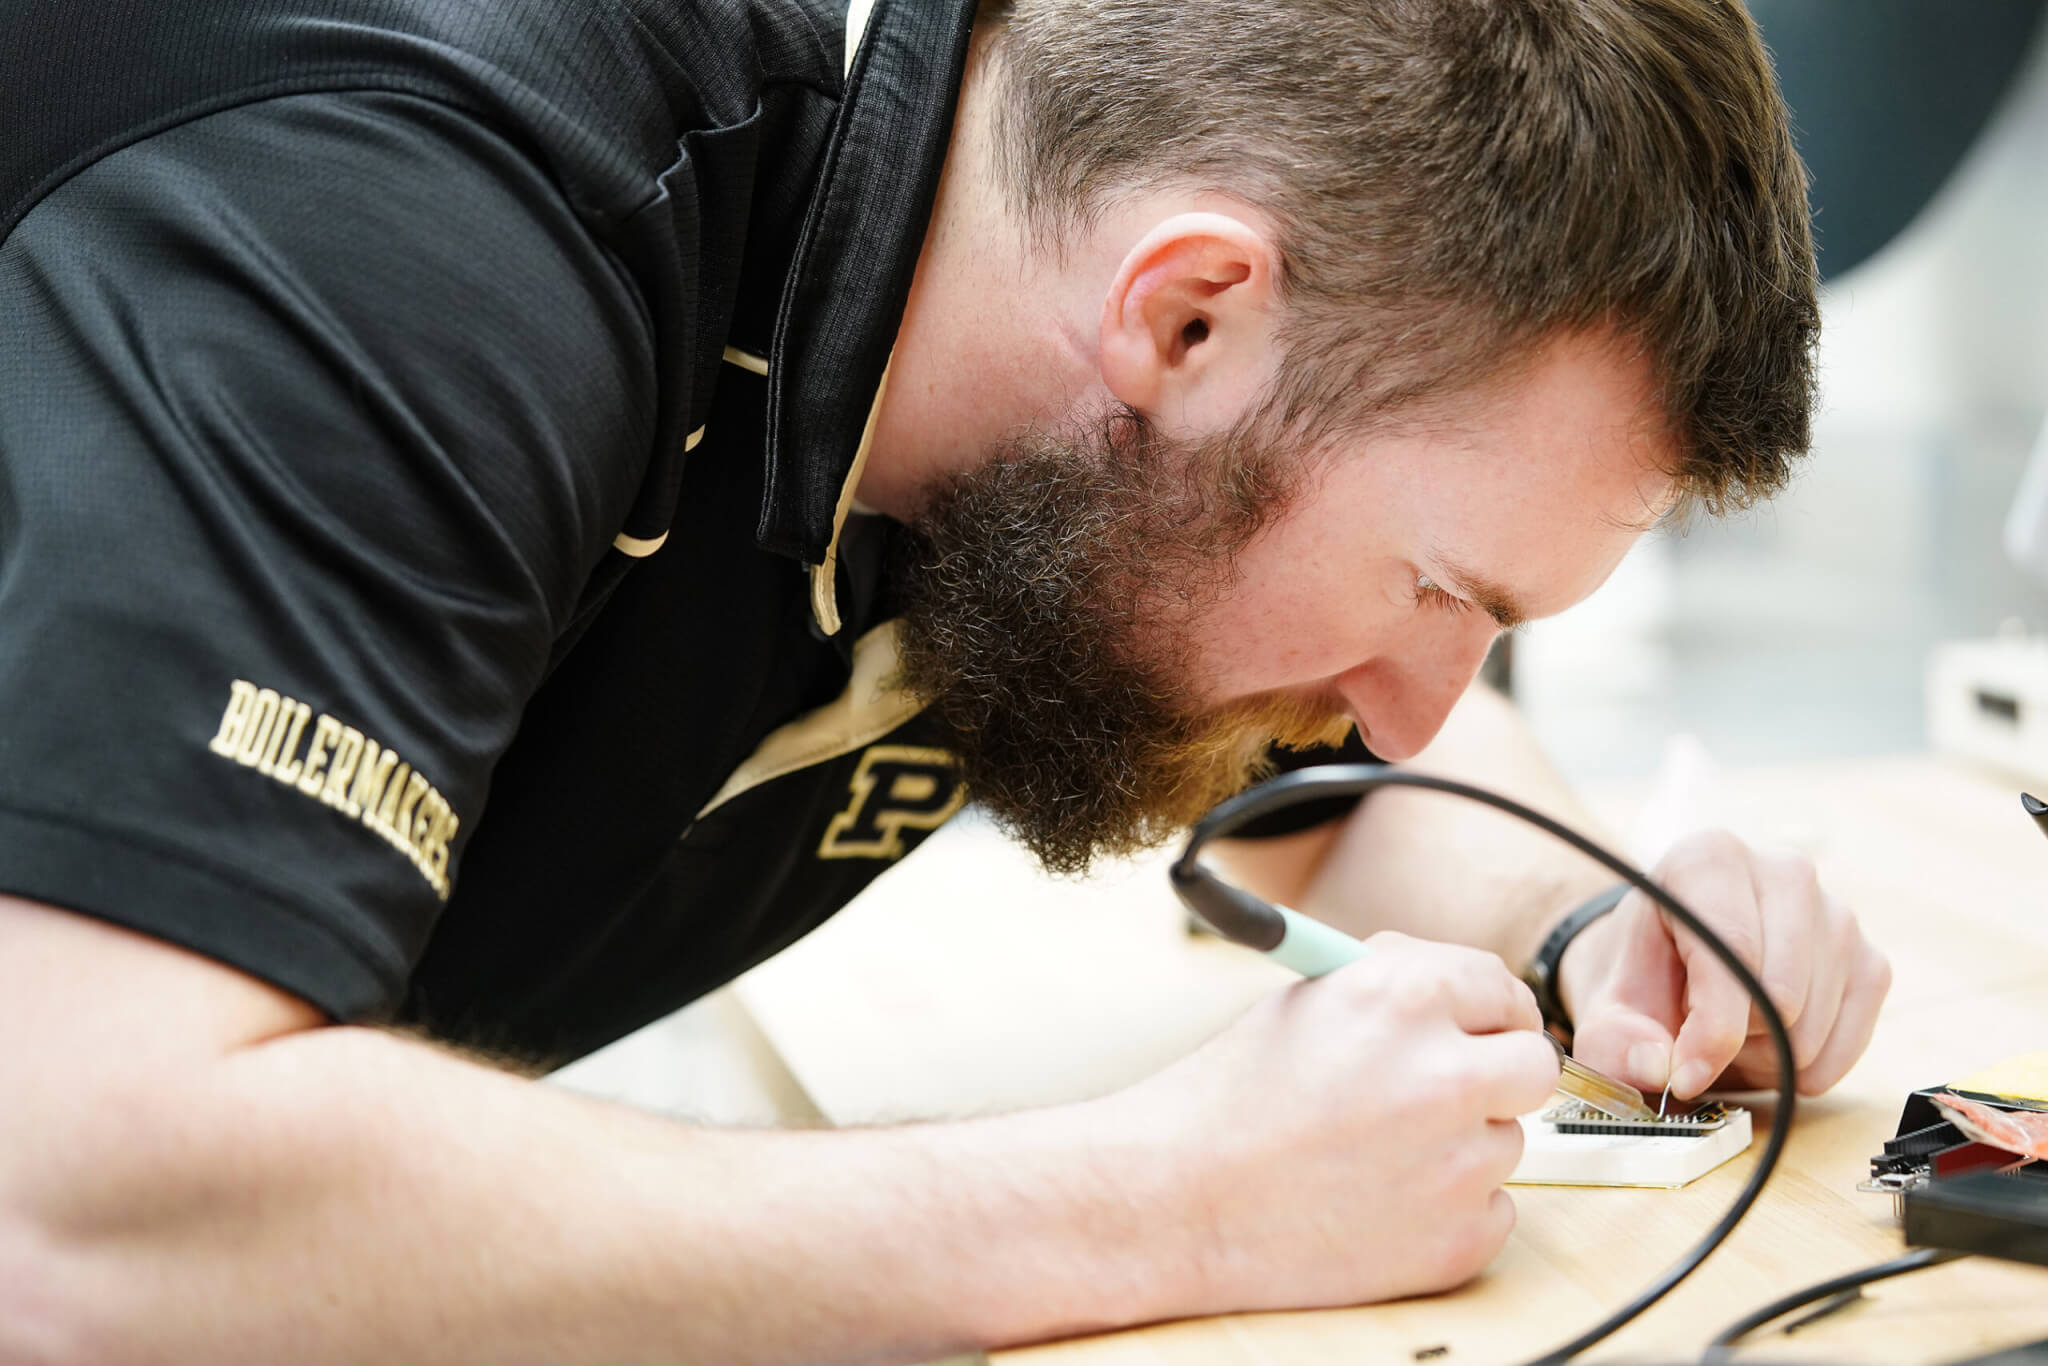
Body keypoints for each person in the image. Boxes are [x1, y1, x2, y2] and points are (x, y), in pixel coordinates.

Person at [0, 0, 1890, 1359]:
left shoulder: (1019, 398)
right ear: (1191, 312)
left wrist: (1590, 921)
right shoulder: (441, 218)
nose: (1412, 704)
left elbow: (1340, 783)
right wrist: (1170, 1197)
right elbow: (79, 1212)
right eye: (1431, 586)